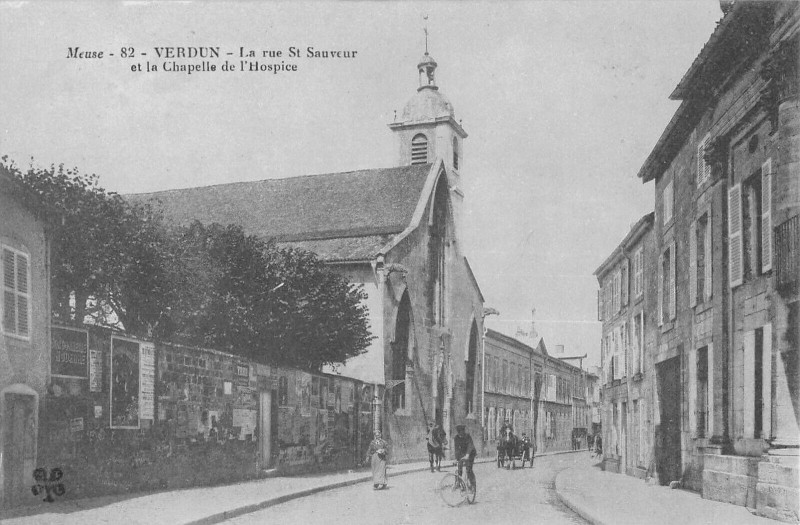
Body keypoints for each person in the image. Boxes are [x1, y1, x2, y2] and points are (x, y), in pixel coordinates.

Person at [453, 424, 477, 492]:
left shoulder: (467, 436)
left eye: (462, 431)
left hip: (471, 453)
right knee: (459, 468)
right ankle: (460, 484)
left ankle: (472, 486)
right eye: (459, 432)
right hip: (462, 454)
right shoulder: (456, 438)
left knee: (469, 469)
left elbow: (470, 446)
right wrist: (456, 459)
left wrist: (467, 455)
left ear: (463, 431)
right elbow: (456, 449)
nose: (461, 433)